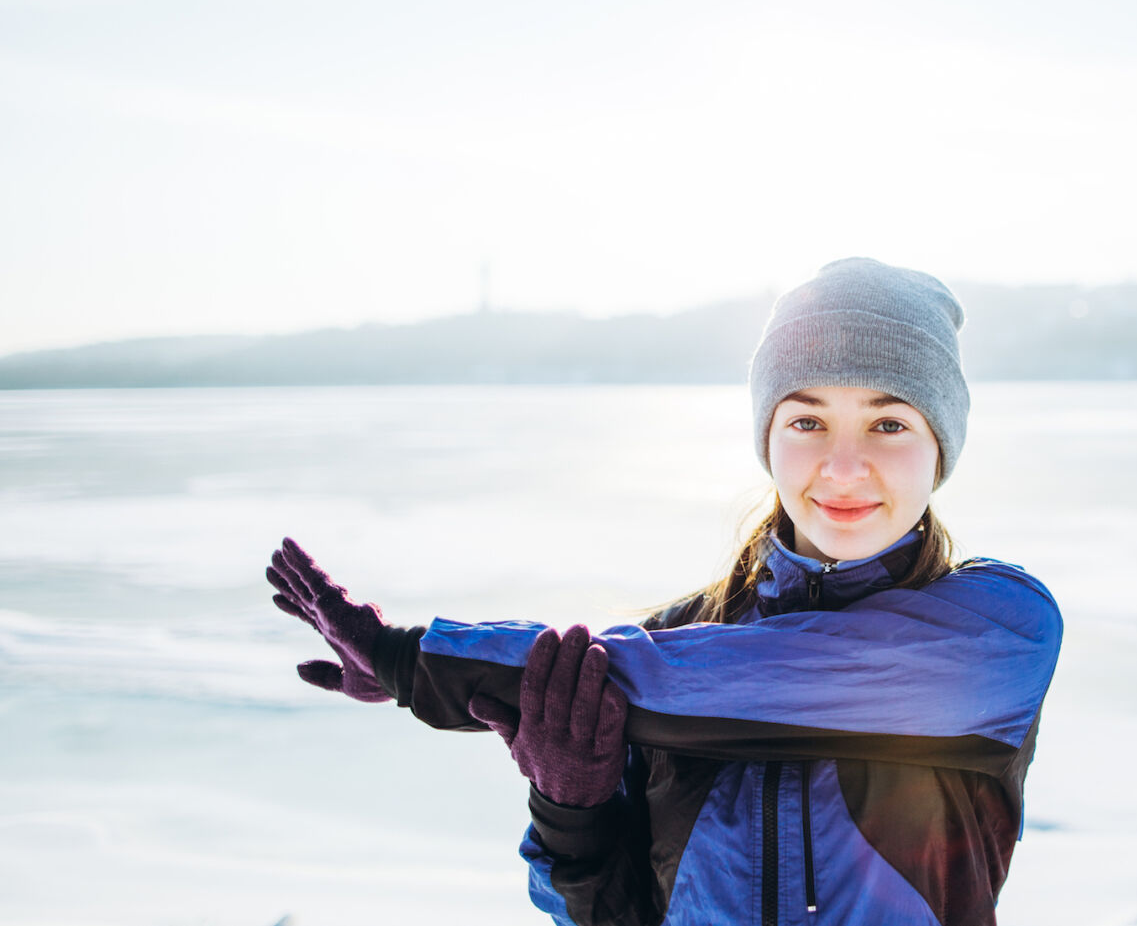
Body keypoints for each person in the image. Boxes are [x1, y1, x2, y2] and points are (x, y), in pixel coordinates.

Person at [267, 257, 1063, 926]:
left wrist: (414, 662)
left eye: (889, 425)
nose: (844, 466)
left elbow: (756, 677)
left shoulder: (999, 631)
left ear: (940, 447)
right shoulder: (673, 644)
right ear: (768, 439)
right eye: (807, 421)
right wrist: (571, 809)